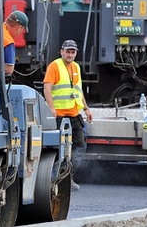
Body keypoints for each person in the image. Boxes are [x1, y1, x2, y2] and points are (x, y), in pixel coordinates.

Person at [43, 40, 93, 190]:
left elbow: (78, 90)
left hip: (73, 113)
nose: (70, 54)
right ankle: (52, 179)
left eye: (73, 52)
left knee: (79, 145)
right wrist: (51, 108)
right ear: (61, 52)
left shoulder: (76, 67)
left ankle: (67, 177)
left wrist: (86, 108)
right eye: (68, 51)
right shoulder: (55, 66)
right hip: (58, 115)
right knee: (58, 148)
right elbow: (47, 87)